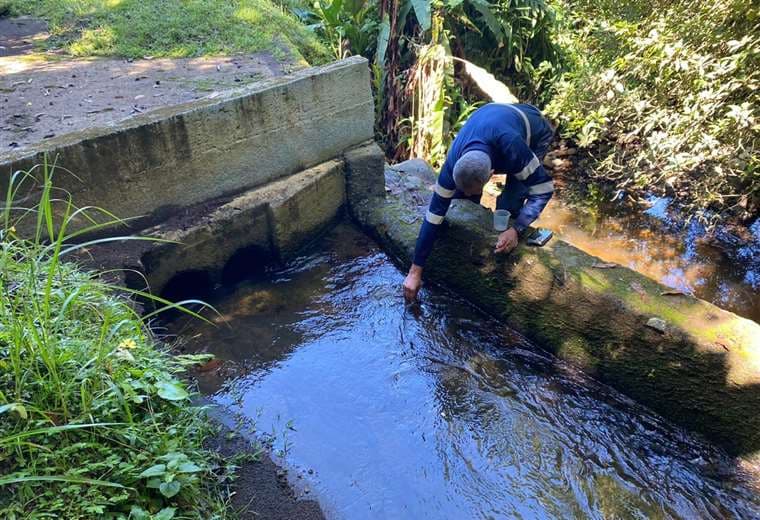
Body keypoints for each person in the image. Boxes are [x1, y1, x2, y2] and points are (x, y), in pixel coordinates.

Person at [403, 102, 555, 301]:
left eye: (473, 189)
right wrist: (415, 272)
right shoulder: (452, 165)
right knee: (461, 199)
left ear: (492, 175)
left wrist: (516, 228)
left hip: (531, 131)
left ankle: (512, 227)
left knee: (509, 205)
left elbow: (544, 189)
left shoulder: (514, 148)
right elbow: (433, 216)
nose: (467, 194)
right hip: (490, 120)